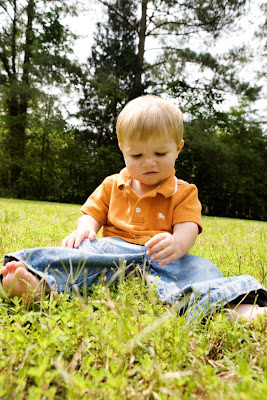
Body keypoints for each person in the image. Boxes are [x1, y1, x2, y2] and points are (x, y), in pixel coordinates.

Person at [1, 95, 267, 322]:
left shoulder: (185, 191)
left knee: (200, 270)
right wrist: (85, 230)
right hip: (113, 251)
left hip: (165, 259)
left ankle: (236, 309)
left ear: (177, 148)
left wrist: (177, 243)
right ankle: (38, 283)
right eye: (137, 155)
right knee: (79, 255)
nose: (148, 163)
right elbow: (92, 214)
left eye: (160, 154)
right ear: (122, 150)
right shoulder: (112, 185)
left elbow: (188, 226)